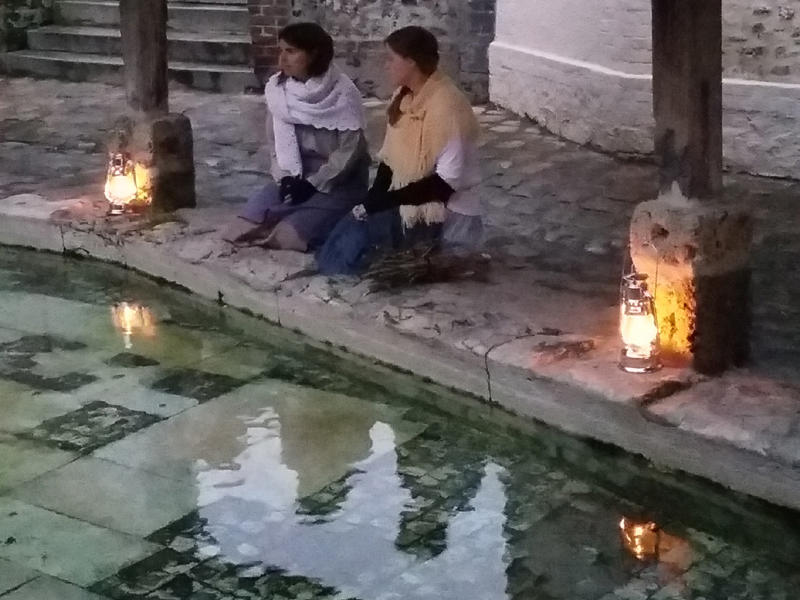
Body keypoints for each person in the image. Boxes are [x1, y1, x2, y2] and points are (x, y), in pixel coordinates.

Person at [316, 26, 482, 275]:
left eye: (391, 58)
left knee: (355, 250)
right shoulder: (404, 97)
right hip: (409, 197)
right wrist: (374, 198)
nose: (386, 65)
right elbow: (391, 156)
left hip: (444, 210)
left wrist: (387, 201)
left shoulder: (448, 109)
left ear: (411, 62)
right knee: (347, 228)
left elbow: (445, 184)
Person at [224, 22, 370, 251]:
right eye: (281, 51)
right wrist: (285, 178)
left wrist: (313, 184)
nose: (282, 59)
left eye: (291, 52)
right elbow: (275, 145)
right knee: (242, 226)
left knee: (290, 236)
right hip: (295, 178)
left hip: (337, 183)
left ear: (314, 54)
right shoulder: (278, 91)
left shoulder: (343, 94)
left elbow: (349, 153)